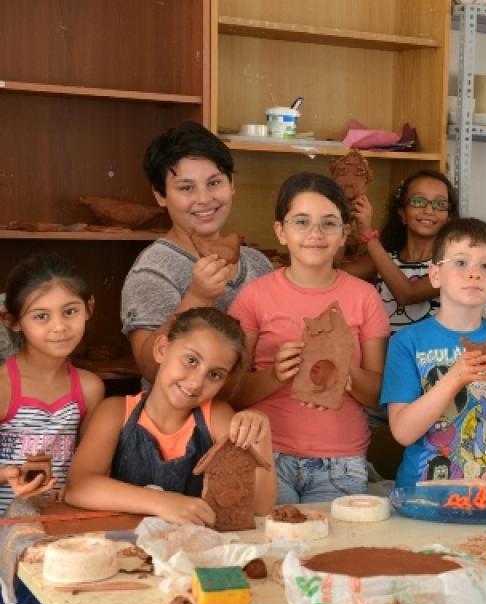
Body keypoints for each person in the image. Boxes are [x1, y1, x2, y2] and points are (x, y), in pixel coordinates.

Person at [66, 307, 273, 604]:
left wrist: (262, 438)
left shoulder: (217, 416)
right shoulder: (116, 412)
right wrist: (165, 503)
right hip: (130, 569)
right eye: (190, 361)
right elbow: (79, 486)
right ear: (162, 349)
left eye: (214, 374)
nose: (196, 381)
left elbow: (260, 506)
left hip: (194, 571)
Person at [229, 173, 389, 503]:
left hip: (342, 460)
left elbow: (379, 396)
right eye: (301, 221)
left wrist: (343, 371)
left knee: (336, 538)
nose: (315, 233)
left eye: (329, 223)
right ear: (281, 231)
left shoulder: (365, 298)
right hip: (267, 453)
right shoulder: (253, 297)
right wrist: (276, 375)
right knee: (274, 535)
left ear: (344, 233)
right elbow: (232, 393)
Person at [0, 255, 105, 604]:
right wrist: (7, 474)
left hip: (50, 544)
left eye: (70, 311)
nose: (59, 326)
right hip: (1, 534)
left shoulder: (89, 388)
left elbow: (88, 470)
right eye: (41, 316)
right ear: (13, 321)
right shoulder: (4, 384)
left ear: (89, 309)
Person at [382, 219, 486, 487]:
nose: (474, 273)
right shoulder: (407, 342)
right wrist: (455, 378)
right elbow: (403, 433)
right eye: (461, 262)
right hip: (422, 493)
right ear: (435, 274)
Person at [121, 121, 273, 384]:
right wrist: (198, 296)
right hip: (186, 409)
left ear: (232, 183)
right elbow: (150, 367)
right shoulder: (153, 269)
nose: (204, 199)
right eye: (186, 187)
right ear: (160, 195)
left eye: (214, 182)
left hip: (255, 405)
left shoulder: (258, 263)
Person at [340, 170, 460, 333]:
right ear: (402, 214)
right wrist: (344, 217)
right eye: (418, 201)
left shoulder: (454, 266)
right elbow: (333, 272)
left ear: (449, 218)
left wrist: (368, 235)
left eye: (440, 204)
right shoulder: (383, 260)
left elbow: (407, 295)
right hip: (387, 350)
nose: (429, 210)